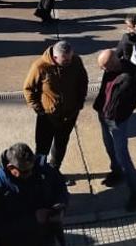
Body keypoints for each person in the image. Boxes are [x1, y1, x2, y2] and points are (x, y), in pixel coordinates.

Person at [0, 142, 69, 246]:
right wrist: (33, 219)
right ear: (10, 168)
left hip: (46, 241)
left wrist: (61, 205)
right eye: (25, 171)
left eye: (32, 168)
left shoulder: (43, 169)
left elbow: (61, 187)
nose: (31, 173)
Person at [23, 40, 88, 169]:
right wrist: (38, 109)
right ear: (55, 57)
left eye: (70, 58)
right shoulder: (40, 66)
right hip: (48, 116)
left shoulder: (76, 61)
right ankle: (40, 172)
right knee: (42, 147)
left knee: (61, 144)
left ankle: (54, 170)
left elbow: (83, 81)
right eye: (65, 60)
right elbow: (28, 88)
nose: (69, 62)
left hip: (69, 115)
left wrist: (79, 103)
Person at [92, 48, 136, 212]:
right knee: (109, 147)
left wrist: (118, 115)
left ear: (113, 63)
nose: (102, 70)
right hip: (105, 116)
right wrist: (101, 110)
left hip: (117, 122)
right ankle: (116, 171)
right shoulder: (111, 70)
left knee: (123, 156)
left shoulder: (127, 79)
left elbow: (134, 101)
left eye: (104, 67)